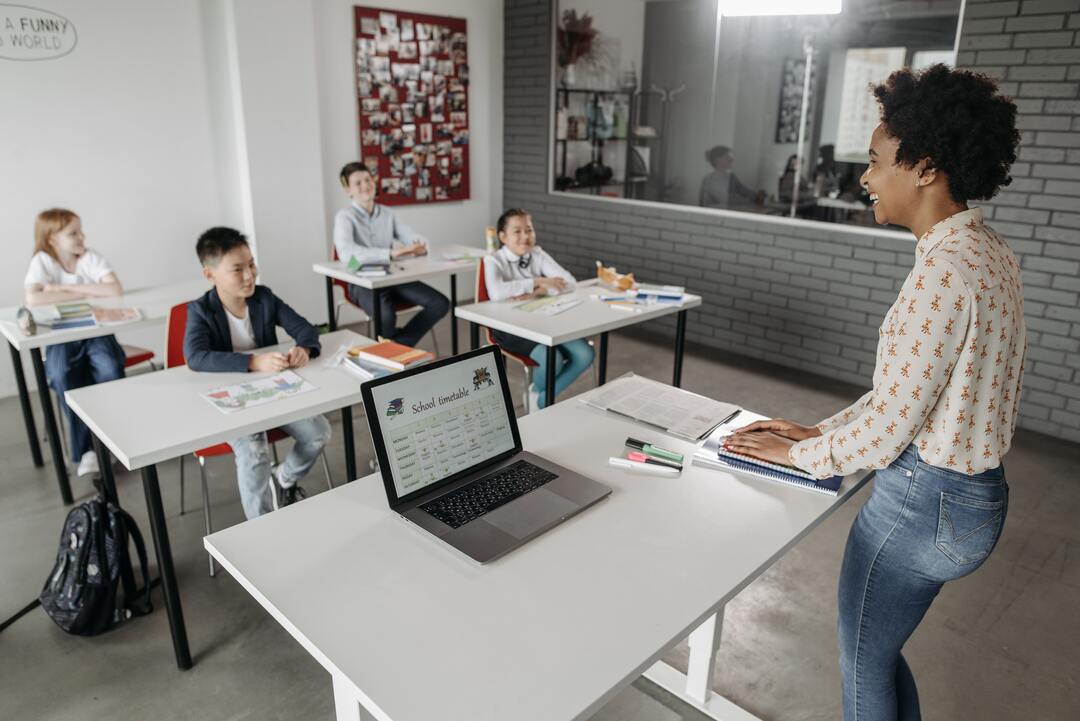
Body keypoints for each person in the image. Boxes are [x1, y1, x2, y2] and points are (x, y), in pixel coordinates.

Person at [724, 65, 1024, 721]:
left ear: (925, 168)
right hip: (977, 499)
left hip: (923, 502)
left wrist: (792, 457)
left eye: (876, 160)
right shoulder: (988, 252)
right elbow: (910, 397)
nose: (865, 177)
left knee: (862, 662)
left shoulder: (941, 275)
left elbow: (891, 431)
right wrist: (818, 430)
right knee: (878, 652)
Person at [184, 227, 331, 519]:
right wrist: (253, 362)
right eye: (237, 269)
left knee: (318, 433)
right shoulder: (200, 310)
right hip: (230, 399)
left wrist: (304, 347)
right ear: (210, 274)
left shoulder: (263, 298)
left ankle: (283, 479)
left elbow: (306, 328)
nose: (250, 275)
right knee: (254, 454)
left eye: (251, 264)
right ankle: (261, 525)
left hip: (273, 390)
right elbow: (196, 357)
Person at [24, 209, 126, 479]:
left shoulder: (90, 258)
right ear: (52, 239)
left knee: (110, 368)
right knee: (60, 375)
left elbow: (115, 290)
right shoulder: (43, 261)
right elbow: (33, 299)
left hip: (96, 329)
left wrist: (62, 291)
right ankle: (89, 450)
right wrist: (89, 290)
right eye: (73, 233)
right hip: (60, 335)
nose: (82, 237)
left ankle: (111, 440)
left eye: (81, 231)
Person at [483, 208, 594, 410]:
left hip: (545, 320)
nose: (525, 236)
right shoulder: (493, 259)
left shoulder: (538, 254)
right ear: (502, 236)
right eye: (517, 231)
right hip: (510, 327)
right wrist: (540, 281)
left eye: (529, 230)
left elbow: (569, 282)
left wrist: (539, 292)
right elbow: (497, 293)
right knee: (555, 360)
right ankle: (542, 401)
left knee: (585, 353)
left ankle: (538, 396)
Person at [333, 162, 450, 346]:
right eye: (358, 183)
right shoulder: (344, 217)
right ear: (348, 190)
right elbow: (347, 254)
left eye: (368, 179)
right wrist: (391, 252)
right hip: (360, 280)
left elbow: (409, 235)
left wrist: (419, 244)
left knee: (440, 303)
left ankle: (397, 346)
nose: (365, 185)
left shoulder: (388, 213)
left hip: (392, 275)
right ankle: (394, 349)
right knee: (386, 316)